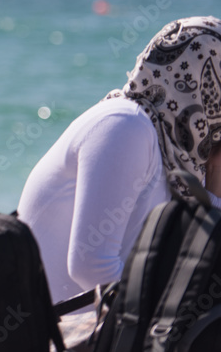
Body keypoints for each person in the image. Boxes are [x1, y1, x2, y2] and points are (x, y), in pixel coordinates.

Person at [18, 16, 221, 304]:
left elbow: (204, 253)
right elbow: (90, 267)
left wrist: (215, 172)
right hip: (61, 330)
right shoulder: (125, 126)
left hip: (100, 324)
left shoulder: (174, 151)